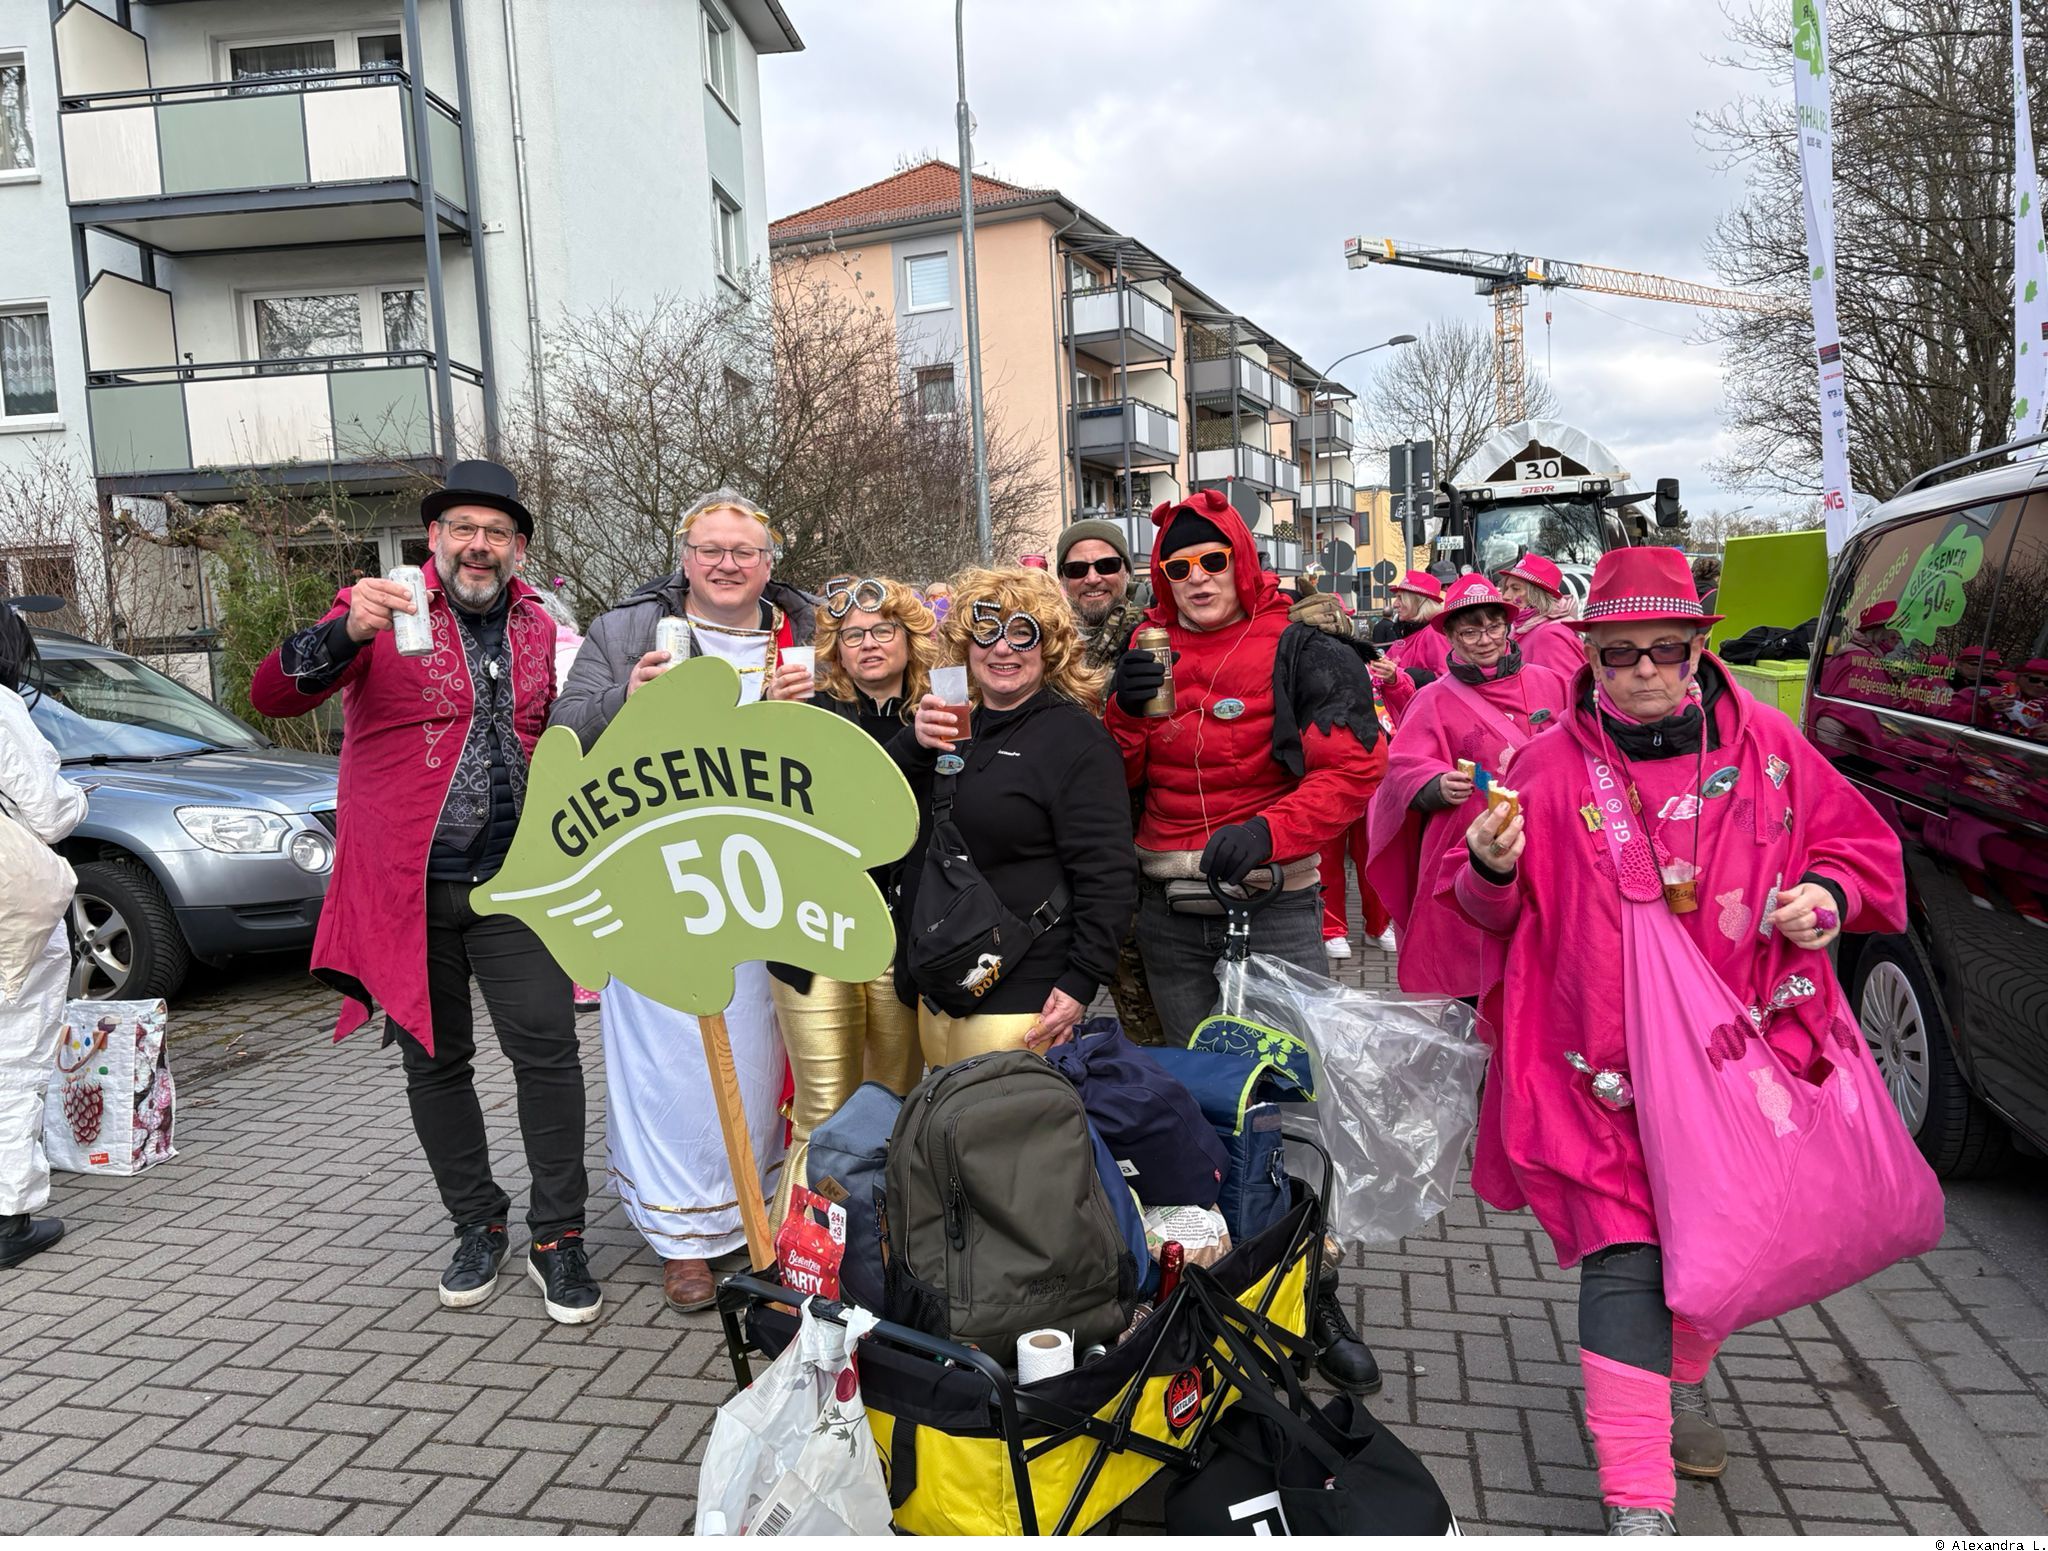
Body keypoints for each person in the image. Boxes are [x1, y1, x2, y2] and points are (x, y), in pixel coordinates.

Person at [1452, 548, 1905, 1534]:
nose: (1644, 670)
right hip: (1591, 1067)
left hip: (1737, 1057)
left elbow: (1855, 848)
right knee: (1622, 1252)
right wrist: (1485, 870)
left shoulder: (1772, 749)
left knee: (1715, 1231)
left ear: (1698, 650)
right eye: (1619, 655)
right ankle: (1635, 1501)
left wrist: (1823, 899)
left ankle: (1669, 1384)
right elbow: (1479, 914)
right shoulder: (1539, 768)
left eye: (1664, 649)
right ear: (1589, 659)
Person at [249, 460, 600, 1323]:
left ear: (517, 547)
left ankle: (559, 1236)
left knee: (550, 1057)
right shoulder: (380, 607)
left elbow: (571, 734)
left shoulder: (541, 621)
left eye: (497, 533)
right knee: (436, 1066)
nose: (479, 546)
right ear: (433, 538)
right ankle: (476, 1219)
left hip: (519, 886)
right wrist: (342, 634)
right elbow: (271, 692)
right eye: (463, 529)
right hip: (407, 888)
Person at [1102, 490, 1387, 1398]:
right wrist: (1125, 721)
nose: (1195, 580)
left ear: (1241, 559)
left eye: (1211, 561)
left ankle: (1312, 1294)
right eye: (1177, 568)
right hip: (1169, 920)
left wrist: (1273, 829)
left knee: (1289, 1110)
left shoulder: (1309, 650)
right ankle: (1211, 1300)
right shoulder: (1141, 652)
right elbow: (1110, 788)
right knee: (1192, 1117)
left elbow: (1356, 771)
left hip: (1272, 910)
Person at [552, 489, 818, 1314]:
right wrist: (626, 696)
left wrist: (827, 696)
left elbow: (868, 734)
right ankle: (682, 1239)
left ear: (769, 563)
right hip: (655, 875)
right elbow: (565, 730)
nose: (727, 564)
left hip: (768, 877)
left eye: (744, 551)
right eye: (711, 549)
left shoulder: (807, 631)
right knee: (666, 1060)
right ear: (685, 556)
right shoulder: (625, 630)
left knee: (766, 1046)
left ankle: (759, 1210)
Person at [898, 567, 1137, 1065]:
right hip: (943, 983)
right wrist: (912, 744)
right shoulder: (954, 725)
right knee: (947, 1138)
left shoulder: (1076, 739)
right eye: (986, 633)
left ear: (1048, 647)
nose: (1002, 649)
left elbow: (1107, 874)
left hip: (1026, 991)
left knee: (1003, 1138)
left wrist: (1079, 982)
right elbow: (889, 815)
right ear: (966, 645)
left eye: (1021, 632)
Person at [767, 577, 931, 1231]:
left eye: (882, 629)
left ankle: (878, 1253)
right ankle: (798, 1264)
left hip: (900, 935)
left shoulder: (942, 709)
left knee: (890, 1107)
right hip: (814, 933)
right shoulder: (807, 708)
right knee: (822, 1109)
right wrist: (770, 718)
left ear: (909, 637)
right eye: (854, 633)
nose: (868, 643)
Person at [1363, 575, 1570, 1000]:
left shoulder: (1552, 683)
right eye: (1470, 631)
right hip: (1470, 855)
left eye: (1493, 626)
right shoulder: (1433, 699)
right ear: (1451, 637)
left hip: (1552, 846)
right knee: (1476, 974)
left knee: (1548, 965)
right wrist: (1434, 785)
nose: (1485, 640)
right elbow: (1399, 770)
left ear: (1507, 627)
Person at [0, 606, 88, 1269]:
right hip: (11, 907)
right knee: (15, 1055)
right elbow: (50, 812)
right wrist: (81, 797)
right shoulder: (2, 708)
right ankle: (10, 1217)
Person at [1055, 518, 1147, 669]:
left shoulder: (1154, 629)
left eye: (1107, 565)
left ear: (1127, 572)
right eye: (1077, 569)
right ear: (1062, 578)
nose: (1092, 579)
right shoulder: (1045, 642)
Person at [1497, 554, 1586, 679]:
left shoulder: (1551, 636)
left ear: (1537, 595)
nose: (1505, 596)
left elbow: (1567, 692)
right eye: (1506, 588)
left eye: (1516, 589)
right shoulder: (1521, 627)